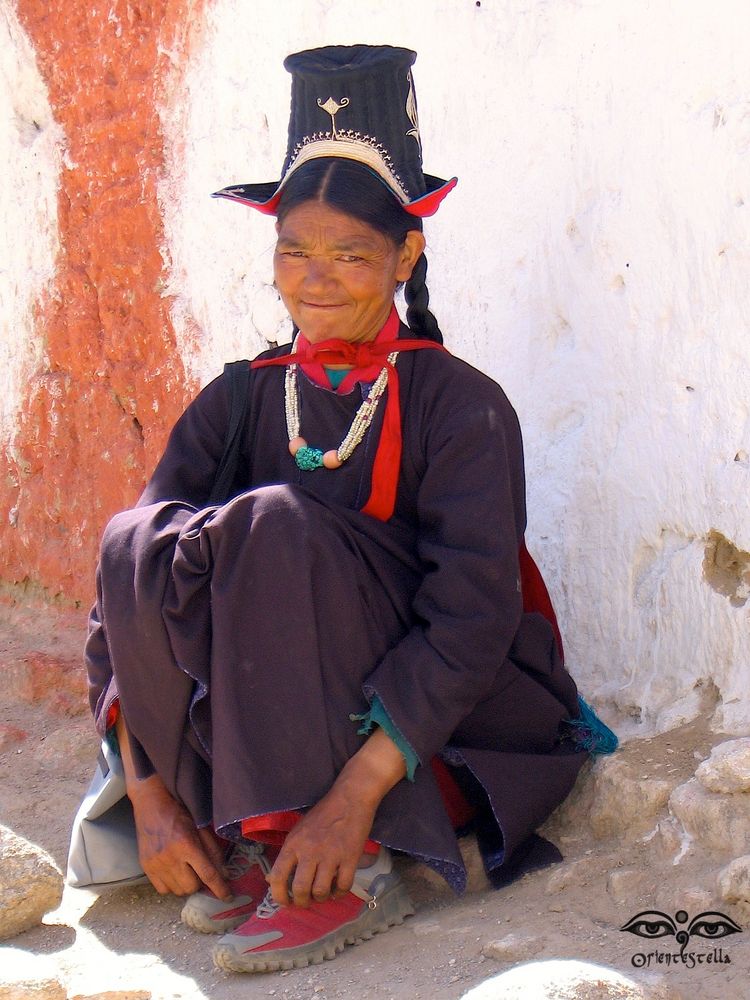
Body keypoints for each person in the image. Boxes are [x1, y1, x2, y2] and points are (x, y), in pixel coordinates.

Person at [84, 44, 611, 975]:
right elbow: (124, 590)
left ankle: (350, 858)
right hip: (264, 724)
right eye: (294, 250)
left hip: (433, 721)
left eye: (351, 254)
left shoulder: (460, 404)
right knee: (135, 538)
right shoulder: (243, 395)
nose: (314, 280)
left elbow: (474, 616)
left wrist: (351, 799)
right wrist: (151, 792)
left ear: (407, 253)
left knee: (277, 527)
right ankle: (248, 824)